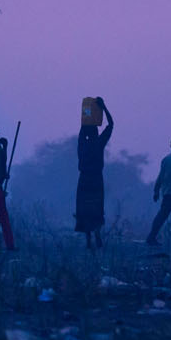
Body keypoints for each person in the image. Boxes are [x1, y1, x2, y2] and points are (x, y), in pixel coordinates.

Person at [75, 97, 116, 249]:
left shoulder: (82, 144)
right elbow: (111, 124)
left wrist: (86, 114)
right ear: (96, 131)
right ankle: (97, 234)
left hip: (84, 179)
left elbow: (83, 125)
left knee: (84, 208)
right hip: (97, 179)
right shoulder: (99, 143)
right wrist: (103, 107)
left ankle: (88, 239)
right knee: (97, 207)